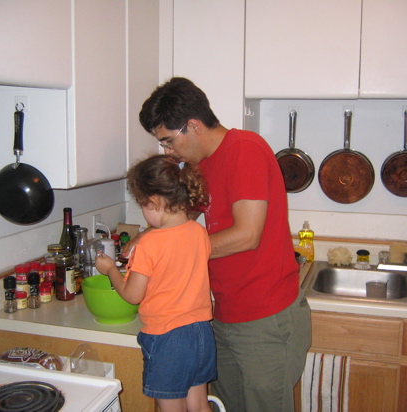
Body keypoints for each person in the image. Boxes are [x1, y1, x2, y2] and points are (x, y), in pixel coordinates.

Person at [136, 77, 312, 412]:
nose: (168, 151)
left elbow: (247, 235)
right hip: (223, 313)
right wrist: (148, 238)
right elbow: (179, 220)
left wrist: (169, 253)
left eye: (169, 142)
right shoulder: (200, 165)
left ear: (193, 125)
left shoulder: (244, 149)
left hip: (265, 317)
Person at [95, 154, 216, 412]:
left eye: (143, 205)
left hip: (168, 337)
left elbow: (132, 295)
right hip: (201, 333)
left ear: (155, 202)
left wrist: (110, 271)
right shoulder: (199, 232)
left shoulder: (149, 244)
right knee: (199, 405)